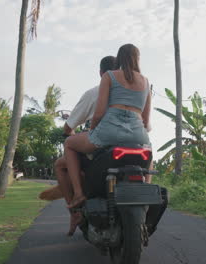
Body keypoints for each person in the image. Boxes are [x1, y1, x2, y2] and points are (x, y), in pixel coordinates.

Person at [64, 43, 152, 210]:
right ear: (137, 59)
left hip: (109, 132)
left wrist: (93, 131)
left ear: (119, 58)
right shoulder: (146, 82)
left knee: (69, 144)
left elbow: (98, 113)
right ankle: (145, 192)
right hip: (137, 134)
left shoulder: (109, 76)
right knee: (148, 153)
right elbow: (146, 121)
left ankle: (78, 193)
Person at [40, 56, 118, 236]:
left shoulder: (94, 93)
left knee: (61, 162)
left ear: (101, 73)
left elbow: (69, 127)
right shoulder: (131, 90)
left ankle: (76, 205)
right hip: (133, 142)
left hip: (101, 146)